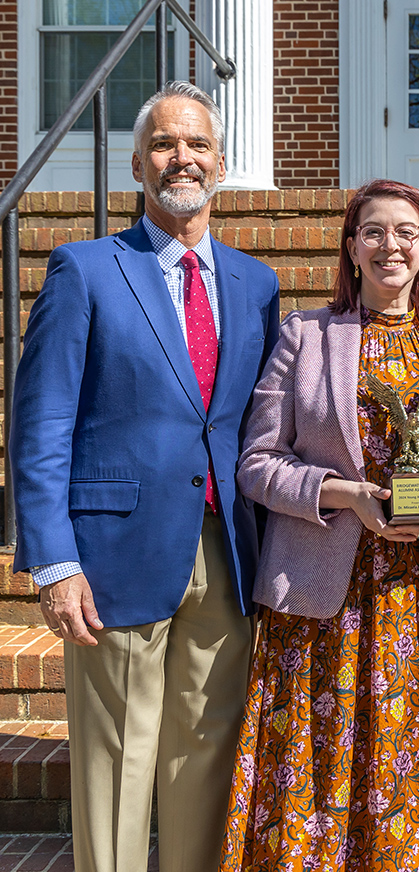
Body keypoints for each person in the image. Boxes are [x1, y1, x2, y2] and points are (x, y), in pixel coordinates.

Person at [9, 81, 281, 872]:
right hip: (113, 554)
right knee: (117, 761)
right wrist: (55, 561)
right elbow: (41, 426)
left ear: (222, 164)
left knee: (205, 755)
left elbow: (260, 424)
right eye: (165, 144)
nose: (182, 158)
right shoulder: (85, 271)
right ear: (136, 165)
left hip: (227, 550)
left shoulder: (255, 285)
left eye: (197, 144)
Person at [220, 179, 419, 871]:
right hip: (326, 600)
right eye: (373, 231)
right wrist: (343, 493)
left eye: (406, 232)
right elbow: (257, 463)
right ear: (351, 249)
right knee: (320, 773)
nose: (391, 245)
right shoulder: (305, 337)